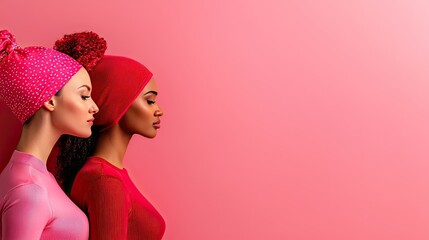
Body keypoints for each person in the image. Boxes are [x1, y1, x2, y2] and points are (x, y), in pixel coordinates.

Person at [54, 32, 165, 240]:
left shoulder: (109, 174)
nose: (160, 111)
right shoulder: (105, 180)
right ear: (117, 104)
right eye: (150, 101)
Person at [0, 30, 98, 239]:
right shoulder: (29, 190)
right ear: (50, 100)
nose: (94, 107)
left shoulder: (32, 177)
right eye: (84, 96)